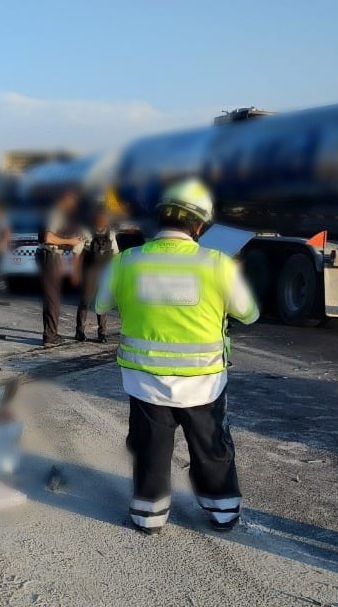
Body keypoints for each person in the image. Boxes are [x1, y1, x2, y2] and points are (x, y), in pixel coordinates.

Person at [94, 178, 259, 535]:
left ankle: (148, 517)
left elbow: (100, 304)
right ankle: (223, 513)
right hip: (204, 383)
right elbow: (249, 313)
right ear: (199, 225)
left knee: (151, 447)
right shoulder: (216, 263)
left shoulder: (127, 261)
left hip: (145, 381)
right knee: (211, 447)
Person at [38, 190, 81, 345]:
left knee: (53, 296)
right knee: (52, 298)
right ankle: (50, 336)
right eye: (73, 201)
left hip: (54, 256)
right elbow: (48, 238)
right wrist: (71, 241)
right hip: (50, 256)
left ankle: (50, 333)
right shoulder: (56, 213)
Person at [73, 204, 118, 342]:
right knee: (85, 301)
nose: (102, 220)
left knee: (102, 302)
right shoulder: (86, 232)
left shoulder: (111, 234)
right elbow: (77, 253)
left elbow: (116, 255)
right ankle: (80, 332)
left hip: (105, 271)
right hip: (90, 271)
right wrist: (76, 273)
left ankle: (102, 333)